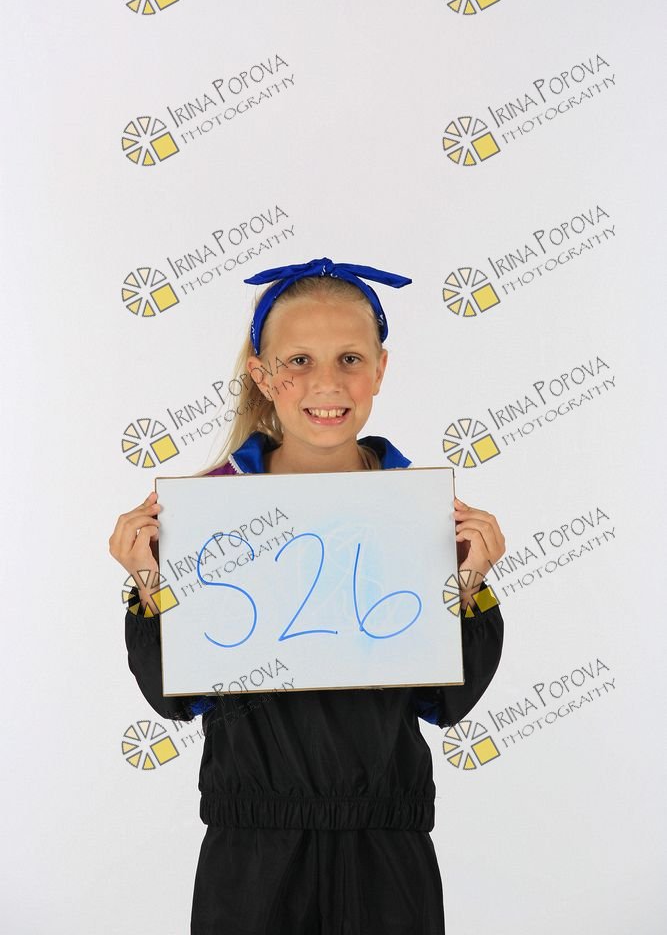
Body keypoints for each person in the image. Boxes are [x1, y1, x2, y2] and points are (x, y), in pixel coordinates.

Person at [109, 256, 506, 935]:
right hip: (252, 851)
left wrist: (469, 583)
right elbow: (175, 699)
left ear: (380, 368)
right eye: (298, 361)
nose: (327, 383)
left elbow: (446, 701)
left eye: (350, 358)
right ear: (262, 375)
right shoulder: (207, 511)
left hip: (386, 846)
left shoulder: (419, 512)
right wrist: (147, 583)